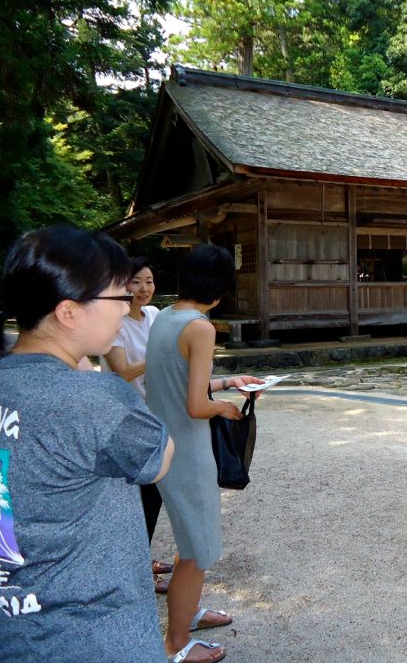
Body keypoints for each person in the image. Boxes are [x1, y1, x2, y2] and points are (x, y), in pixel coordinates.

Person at [0, 224, 174, 661]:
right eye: (119, 297)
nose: (127, 306)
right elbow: (160, 457)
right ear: (69, 312)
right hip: (85, 639)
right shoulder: (91, 398)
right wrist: (89, 372)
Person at [145, 244, 263, 663]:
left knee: (188, 540)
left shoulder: (165, 316)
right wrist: (226, 408)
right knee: (197, 550)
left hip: (166, 442)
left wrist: (228, 383)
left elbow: (175, 383)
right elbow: (196, 406)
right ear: (220, 287)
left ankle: (188, 613)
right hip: (189, 450)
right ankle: (176, 643)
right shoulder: (200, 327)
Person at [101, 257, 173, 592]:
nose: (144, 289)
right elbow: (124, 371)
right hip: (125, 419)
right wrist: (161, 354)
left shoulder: (155, 315)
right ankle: (135, 569)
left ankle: (140, 559)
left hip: (154, 414)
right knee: (138, 496)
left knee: (151, 495)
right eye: (136, 282)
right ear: (122, 285)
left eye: (149, 281)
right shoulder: (114, 324)